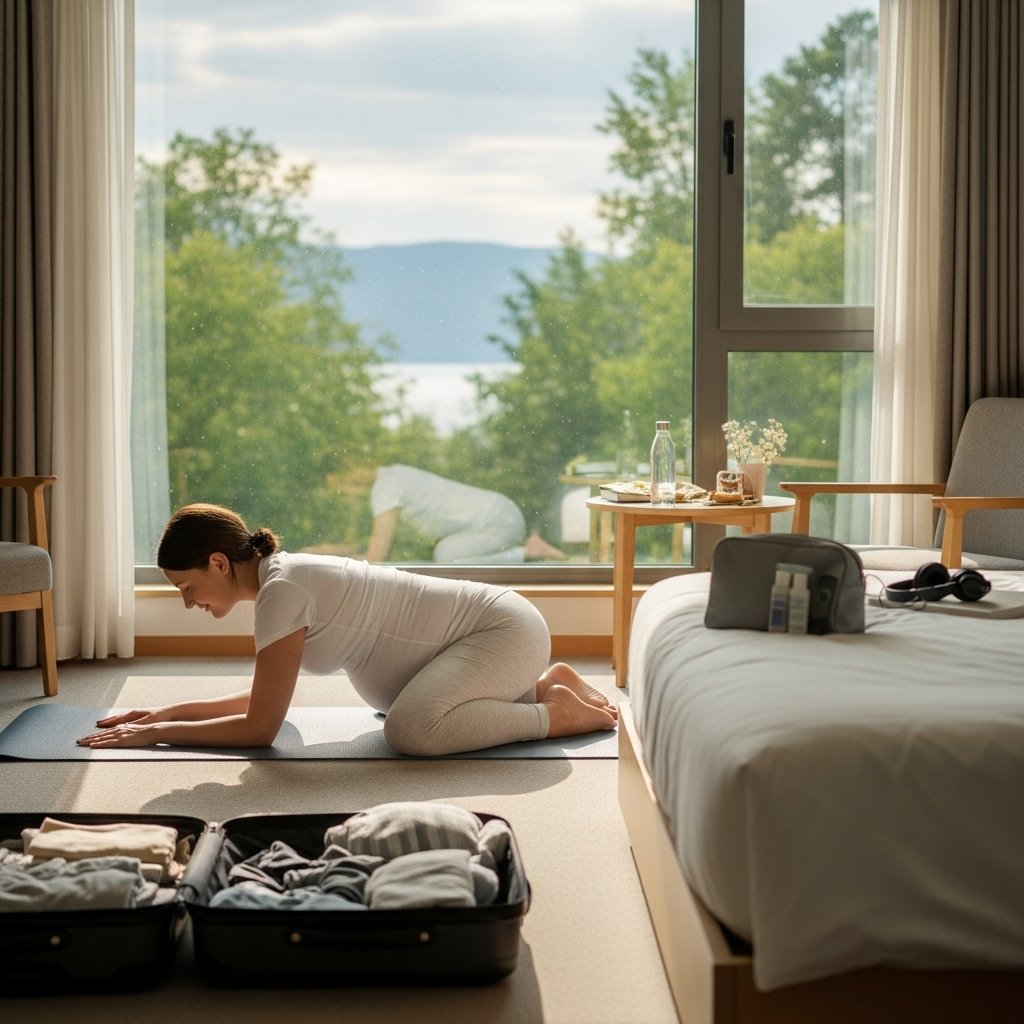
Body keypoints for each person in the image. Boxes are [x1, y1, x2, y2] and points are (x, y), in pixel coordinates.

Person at [76, 503, 616, 755]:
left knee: (409, 731)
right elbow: (264, 700)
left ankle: (552, 716)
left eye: (185, 587)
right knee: (399, 711)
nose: (188, 602)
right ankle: (539, 685)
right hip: (492, 638)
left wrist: (156, 734)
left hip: (501, 629)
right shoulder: (278, 585)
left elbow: (260, 727)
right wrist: (163, 712)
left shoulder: (281, 591)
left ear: (218, 564)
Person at [365, 464, 564, 563]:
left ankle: (527, 553)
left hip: (498, 522)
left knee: (445, 556)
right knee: (445, 552)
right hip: (502, 513)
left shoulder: (385, 487)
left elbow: (376, 558)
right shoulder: (396, 472)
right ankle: (527, 547)